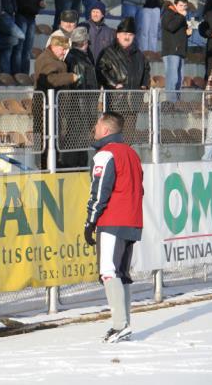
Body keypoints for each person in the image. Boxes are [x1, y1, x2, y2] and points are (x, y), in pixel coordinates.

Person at [84, 111, 143, 344]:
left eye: (97, 125)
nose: (95, 129)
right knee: (120, 273)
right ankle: (124, 324)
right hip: (133, 219)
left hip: (113, 220)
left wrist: (90, 221)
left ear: (106, 130)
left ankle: (120, 325)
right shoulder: (132, 153)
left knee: (108, 271)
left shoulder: (105, 154)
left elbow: (99, 191)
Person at [34, 35, 79, 169]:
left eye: (66, 50)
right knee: (48, 139)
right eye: (62, 49)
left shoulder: (48, 58)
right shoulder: (48, 60)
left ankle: (49, 165)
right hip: (48, 108)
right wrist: (71, 77)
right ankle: (48, 167)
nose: (64, 52)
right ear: (54, 46)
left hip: (49, 107)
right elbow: (50, 79)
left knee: (49, 139)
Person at [61, 26, 98, 167]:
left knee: (79, 143)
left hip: (80, 108)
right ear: (85, 43)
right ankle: (75, 170)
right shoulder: (78, 59)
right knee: (77, 143)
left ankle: (78, 168)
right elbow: (80, 86)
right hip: (80, 109)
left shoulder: (76, 57)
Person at [96, 17, 150, 90]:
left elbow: (146, 69)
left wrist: (144, 84)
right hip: (115, 98)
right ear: (118, 35)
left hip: (136, 98)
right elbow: (100, 71)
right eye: (125, 34)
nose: (127, 37)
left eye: (130, 35)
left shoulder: (139, 54)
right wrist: (114, 84)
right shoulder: (107, 53)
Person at [12, 0, 45, 74]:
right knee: (19, 48)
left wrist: (40, 1)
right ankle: (16, 75)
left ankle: (24, 75)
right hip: (21, 15)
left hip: (31, 16)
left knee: (27, 49)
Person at [161, 0, 192, 94]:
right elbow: (171, 27)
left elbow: (179, 33)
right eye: (180, 5)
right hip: (171, 50)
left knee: (180, 78)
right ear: (175, 5)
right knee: (172, 78)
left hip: (180, 50)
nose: (182, 8)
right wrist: (181, 16)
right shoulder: (168, 13)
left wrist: (187, 34)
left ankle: (176, 103)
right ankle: (170, 103)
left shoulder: (180, 16)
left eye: (184, 6)